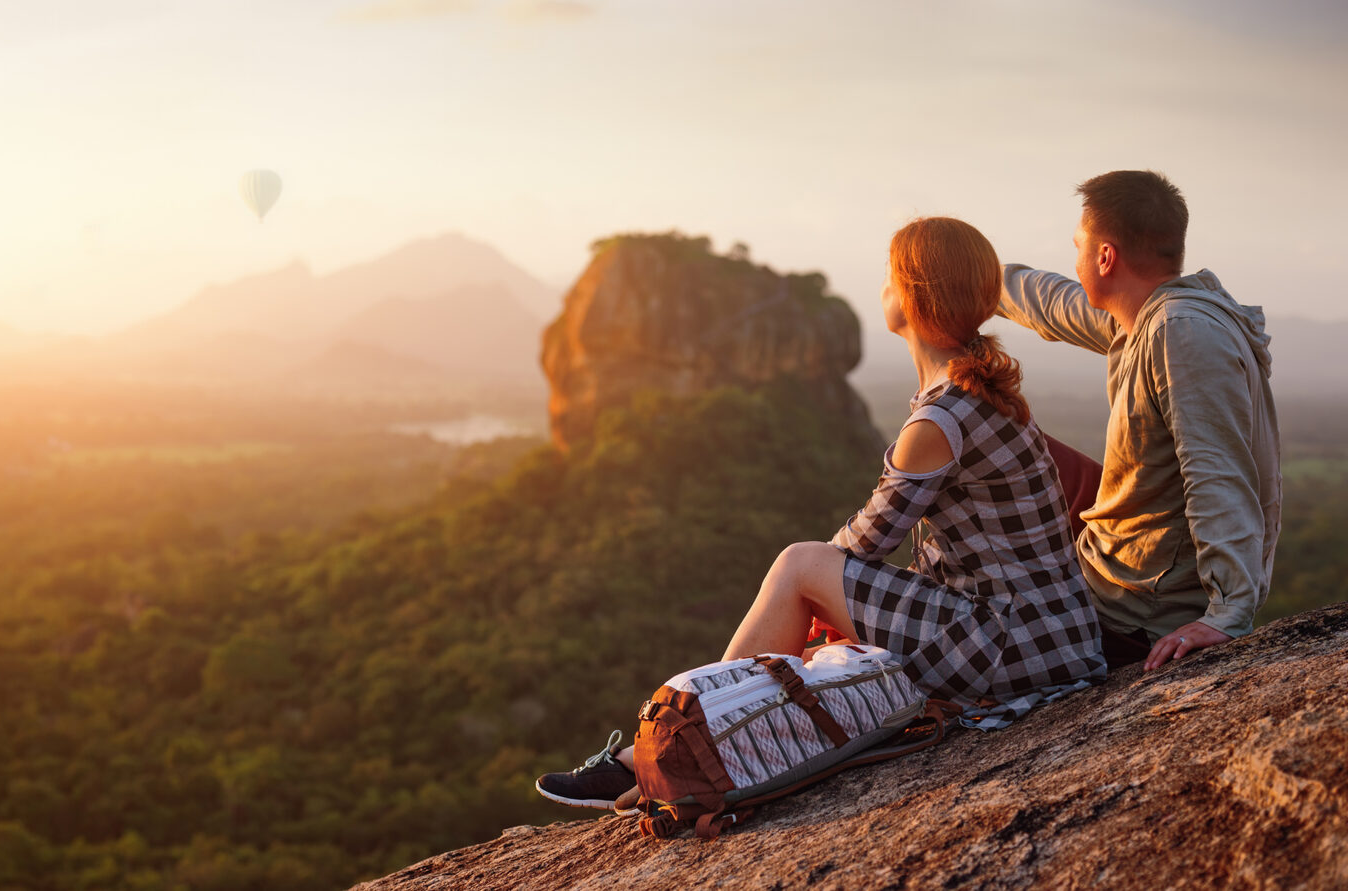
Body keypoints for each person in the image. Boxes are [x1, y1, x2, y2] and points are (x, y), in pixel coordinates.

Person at [535, 217, 1107, 813]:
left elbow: (861, 545)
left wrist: (819, 595)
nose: (881, 289)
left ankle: (688, 736)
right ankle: (669, 750)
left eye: (889, 278)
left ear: (910, 298)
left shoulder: (940, 421)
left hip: (1011, 645)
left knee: (797, 565)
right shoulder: (983, 393)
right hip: (1051, 637)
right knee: (814, 627)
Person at [998, 170, 1280, 671]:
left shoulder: (1183, 333)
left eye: (1079, 247)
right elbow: (1052, 302)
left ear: (1105, 257)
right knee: (1006, 437)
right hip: (1133, 541)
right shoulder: (1150, 314)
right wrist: (975, 276)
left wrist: (1229, 612)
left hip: (1139, 603)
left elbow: (1218, 474)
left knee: (976, 437)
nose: (1076, 259)